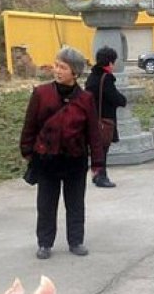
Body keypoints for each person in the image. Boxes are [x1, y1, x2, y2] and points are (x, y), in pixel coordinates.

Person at [20, 46, 105, 259]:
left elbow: (93, 132)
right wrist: (29, 152)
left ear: (75, 73)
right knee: (46, 204)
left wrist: (97, 162)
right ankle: (44, 243)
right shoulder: (41, 93)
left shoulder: (85, 99)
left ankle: (76, 241)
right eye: (56, 65)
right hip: (47, 159)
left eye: (63, 67)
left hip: (74, 159)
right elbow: (30, 125)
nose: (57, 70)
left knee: (75, 203)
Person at [85, 46, 127, 188]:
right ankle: (101, 176)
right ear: (109, 63)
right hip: (104, 119)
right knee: (102, 149)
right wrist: (123, 100)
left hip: (91, 118)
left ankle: (96, 174)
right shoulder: (106, 78)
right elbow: (115, 97)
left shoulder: (91, 77)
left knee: (96, 148)